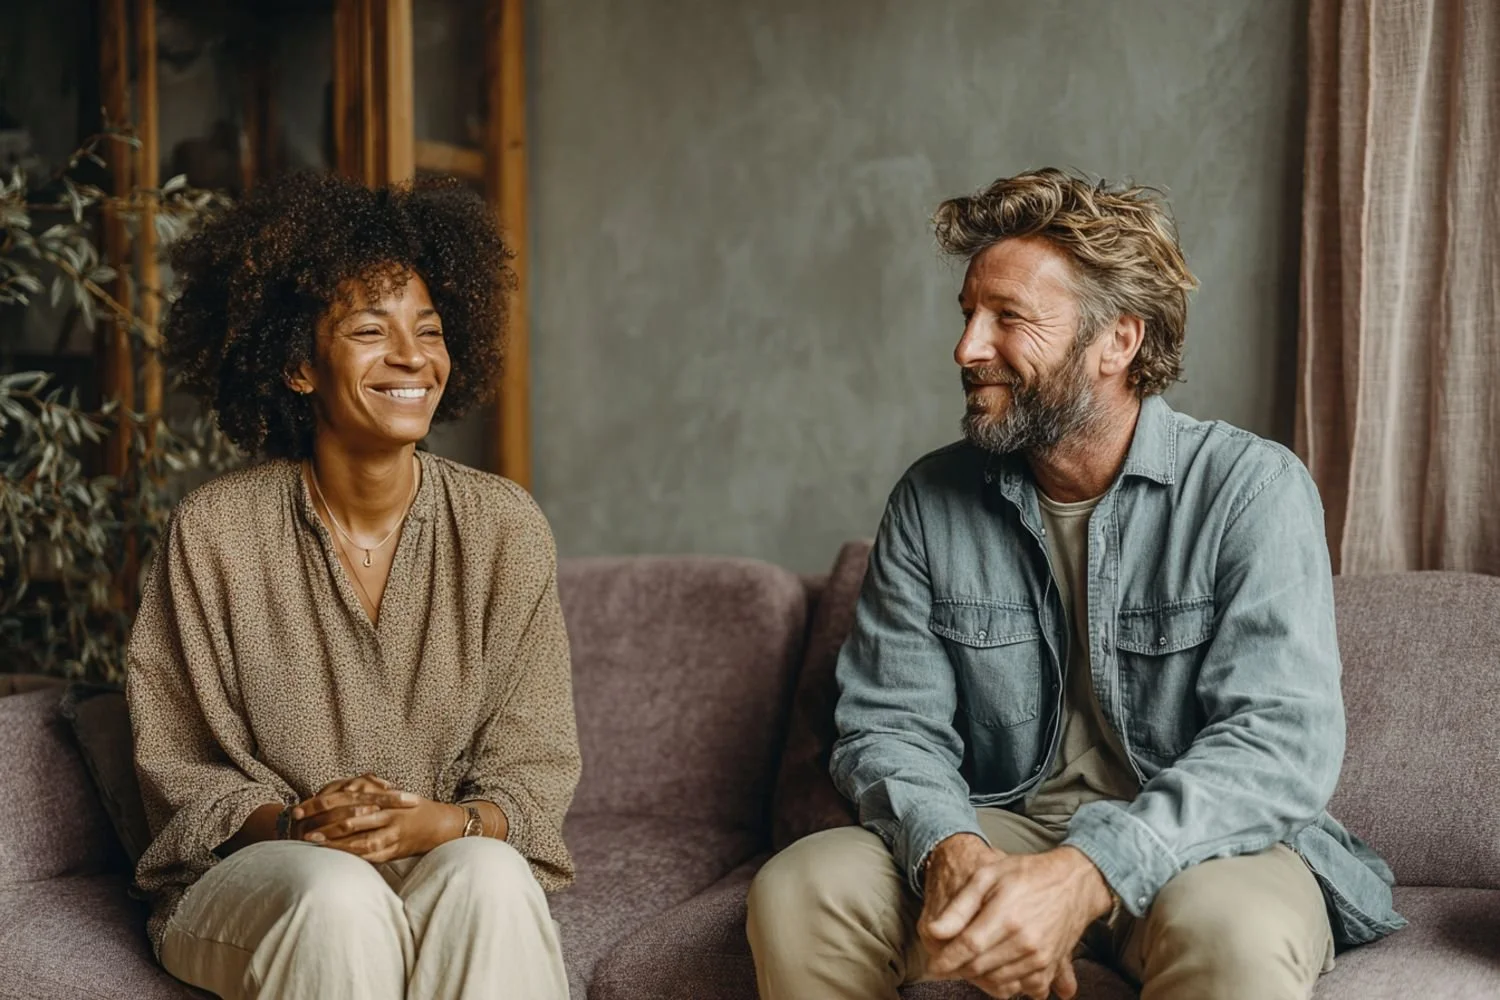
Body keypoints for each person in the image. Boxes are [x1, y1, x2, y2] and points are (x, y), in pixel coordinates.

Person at [746, 169, 1404, 1000]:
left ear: (1117, 341)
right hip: (999, 829)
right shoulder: (929, 498)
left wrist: (1089, 872)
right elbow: (887, 723)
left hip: (1200, 849)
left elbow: (1278, 742)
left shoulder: (1252, 490)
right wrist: (951, 852)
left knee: (1237, 935)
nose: (967, 348)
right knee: (803, 891)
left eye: (1008, 319)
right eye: (967, 316)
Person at [127, 172, 579, 1000]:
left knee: (491, 876)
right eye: (371, 330)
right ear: (298, 365)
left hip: (441, 864)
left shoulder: (504, 530)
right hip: (260, 880)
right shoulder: (216, 533)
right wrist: (305, 824)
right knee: (338, 896)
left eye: (430, 330)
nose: (412, 357)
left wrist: (443, 822)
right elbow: (182, 770)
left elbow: (535, 765)